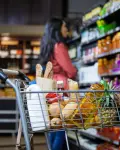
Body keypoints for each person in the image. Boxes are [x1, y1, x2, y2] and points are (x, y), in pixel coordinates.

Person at [39, 18, 77, 150]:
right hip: (60, 87)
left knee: (53, 123)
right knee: (61, 126)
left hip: (49, 86)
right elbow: (70, 71)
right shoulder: (59, 46)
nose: (66, 29)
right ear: (58, 29)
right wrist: (75, 70)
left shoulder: (47, 45)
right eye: (64, 27)